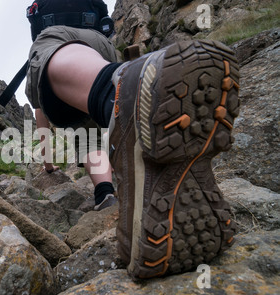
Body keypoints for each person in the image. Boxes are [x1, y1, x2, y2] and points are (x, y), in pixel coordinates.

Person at [23, 0, 240, 279]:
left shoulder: (48, 36)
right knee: (104, 112)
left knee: (88, 132)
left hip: (64, 46)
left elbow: (42, 116)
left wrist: (48, 163)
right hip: (104, 47)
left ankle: (122, 92)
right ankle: (117, 175)